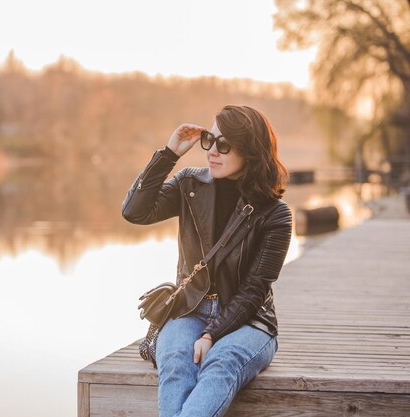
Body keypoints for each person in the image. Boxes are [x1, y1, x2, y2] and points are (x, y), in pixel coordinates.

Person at [122, 105, 293, 417]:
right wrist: (169, 154)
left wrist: (212, 334)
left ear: (251, 151)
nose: (213, 151)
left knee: (221, 362)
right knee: (175, 362)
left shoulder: (275, 215)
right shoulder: (190, 185)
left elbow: (255, 290)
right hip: (188, 309)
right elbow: (135, 211)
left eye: (224, 145)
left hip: (250, 321)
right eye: (208, 140)